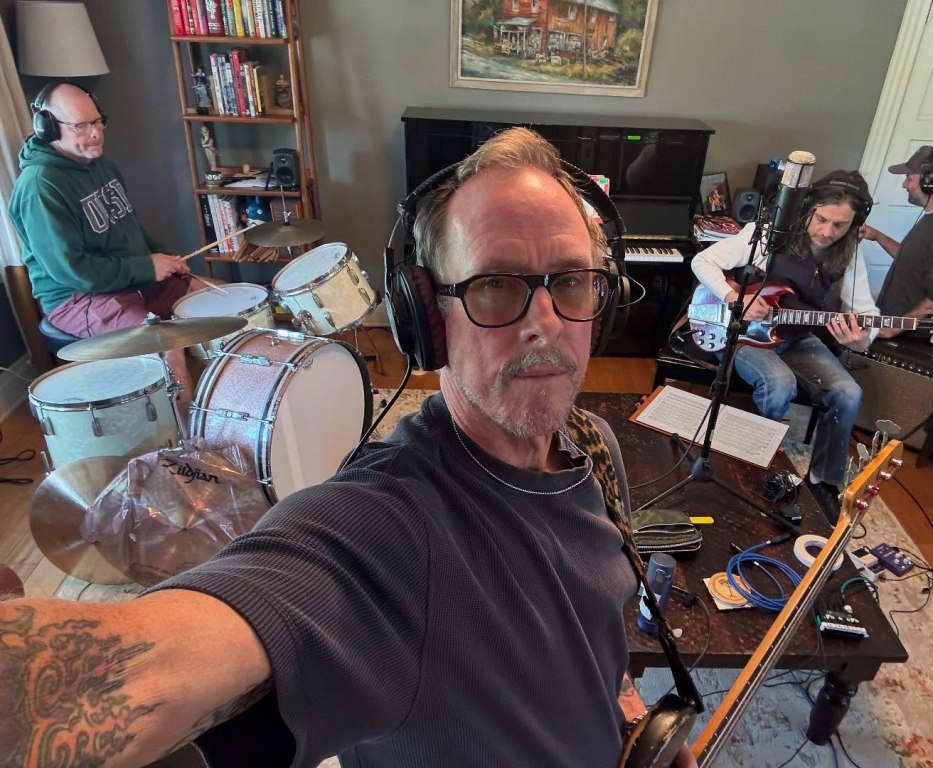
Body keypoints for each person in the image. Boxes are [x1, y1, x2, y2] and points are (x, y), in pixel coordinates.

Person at [0, 127, 697, 768]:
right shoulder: (384, 528)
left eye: (571, 281)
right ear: (428, 319)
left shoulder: (592, 446)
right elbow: (135, 676)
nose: (546, 322)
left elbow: (591, 638)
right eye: (495, 285)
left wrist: (627, 720)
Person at [690, 170, 880, 522]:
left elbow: (866, 313)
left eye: (840, 225)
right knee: (780, 384)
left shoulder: (851, 256)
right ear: (808, 209)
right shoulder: (768, 235)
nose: (827, 232)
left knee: (848, 392)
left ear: (855, 223)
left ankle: (824, 480)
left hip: (794, 337)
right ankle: (754, 462)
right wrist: (735, 297)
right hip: (744, 331)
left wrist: (861, 340)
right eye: (822, 219)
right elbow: (703, 261)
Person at [7, 81, 207, 413]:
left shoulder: (99, 164)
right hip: (78, 297)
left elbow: (130, 229)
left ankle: (237, 408)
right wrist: (146, 267)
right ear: (47, 127)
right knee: (164, 349)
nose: (96, 133)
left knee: (216, 302)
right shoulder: (41, 187)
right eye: (81, 126)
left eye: (98, 121)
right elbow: (73, 271)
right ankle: (186, 452)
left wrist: (165, 258)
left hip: (128, 277)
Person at [860, 145, 933, 335]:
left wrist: (893, 328)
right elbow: (913, 259)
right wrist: (877, 236)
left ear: (930, 180)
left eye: (909, 178)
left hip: (905, 335)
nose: (904, 185)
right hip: (889, 320)